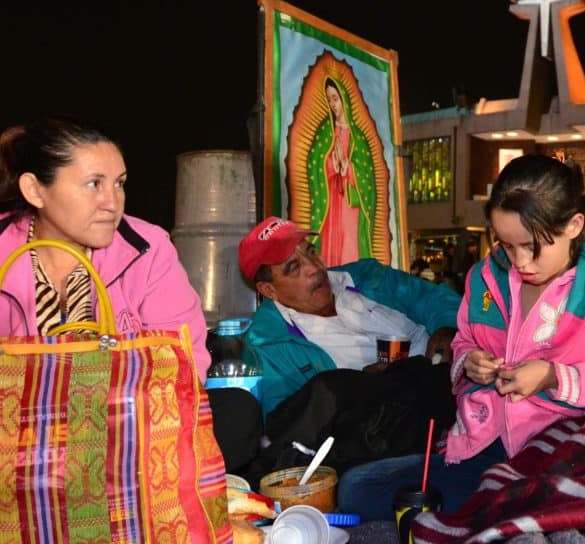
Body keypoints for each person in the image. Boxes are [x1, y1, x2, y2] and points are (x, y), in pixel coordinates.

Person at [337, 154, 585, 520]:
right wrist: (469, 362)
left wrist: (553, 377)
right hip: (487, 441)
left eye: (532, 247)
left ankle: (510, 508)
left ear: (573, 225)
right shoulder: (484, 280)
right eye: (506, 244)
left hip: (566, 449)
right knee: (356, 488)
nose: (519, 261)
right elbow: (463, 343)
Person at [0, 118, 210, 379]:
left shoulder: (147, 250)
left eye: (119, 183)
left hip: (124, 417)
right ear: (34, 190)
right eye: (94, 184)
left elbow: (182, 363)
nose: (112, 203)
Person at [238, 216, 461, 416]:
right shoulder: (267, 346)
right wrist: (361, 388)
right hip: (395, 433)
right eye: (294, 267)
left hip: (458, 389)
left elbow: (434, 298)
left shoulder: (367, 277)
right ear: (268, 290)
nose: (315, 268)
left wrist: (447, 327)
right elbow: (286, 424)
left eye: (312, 252)